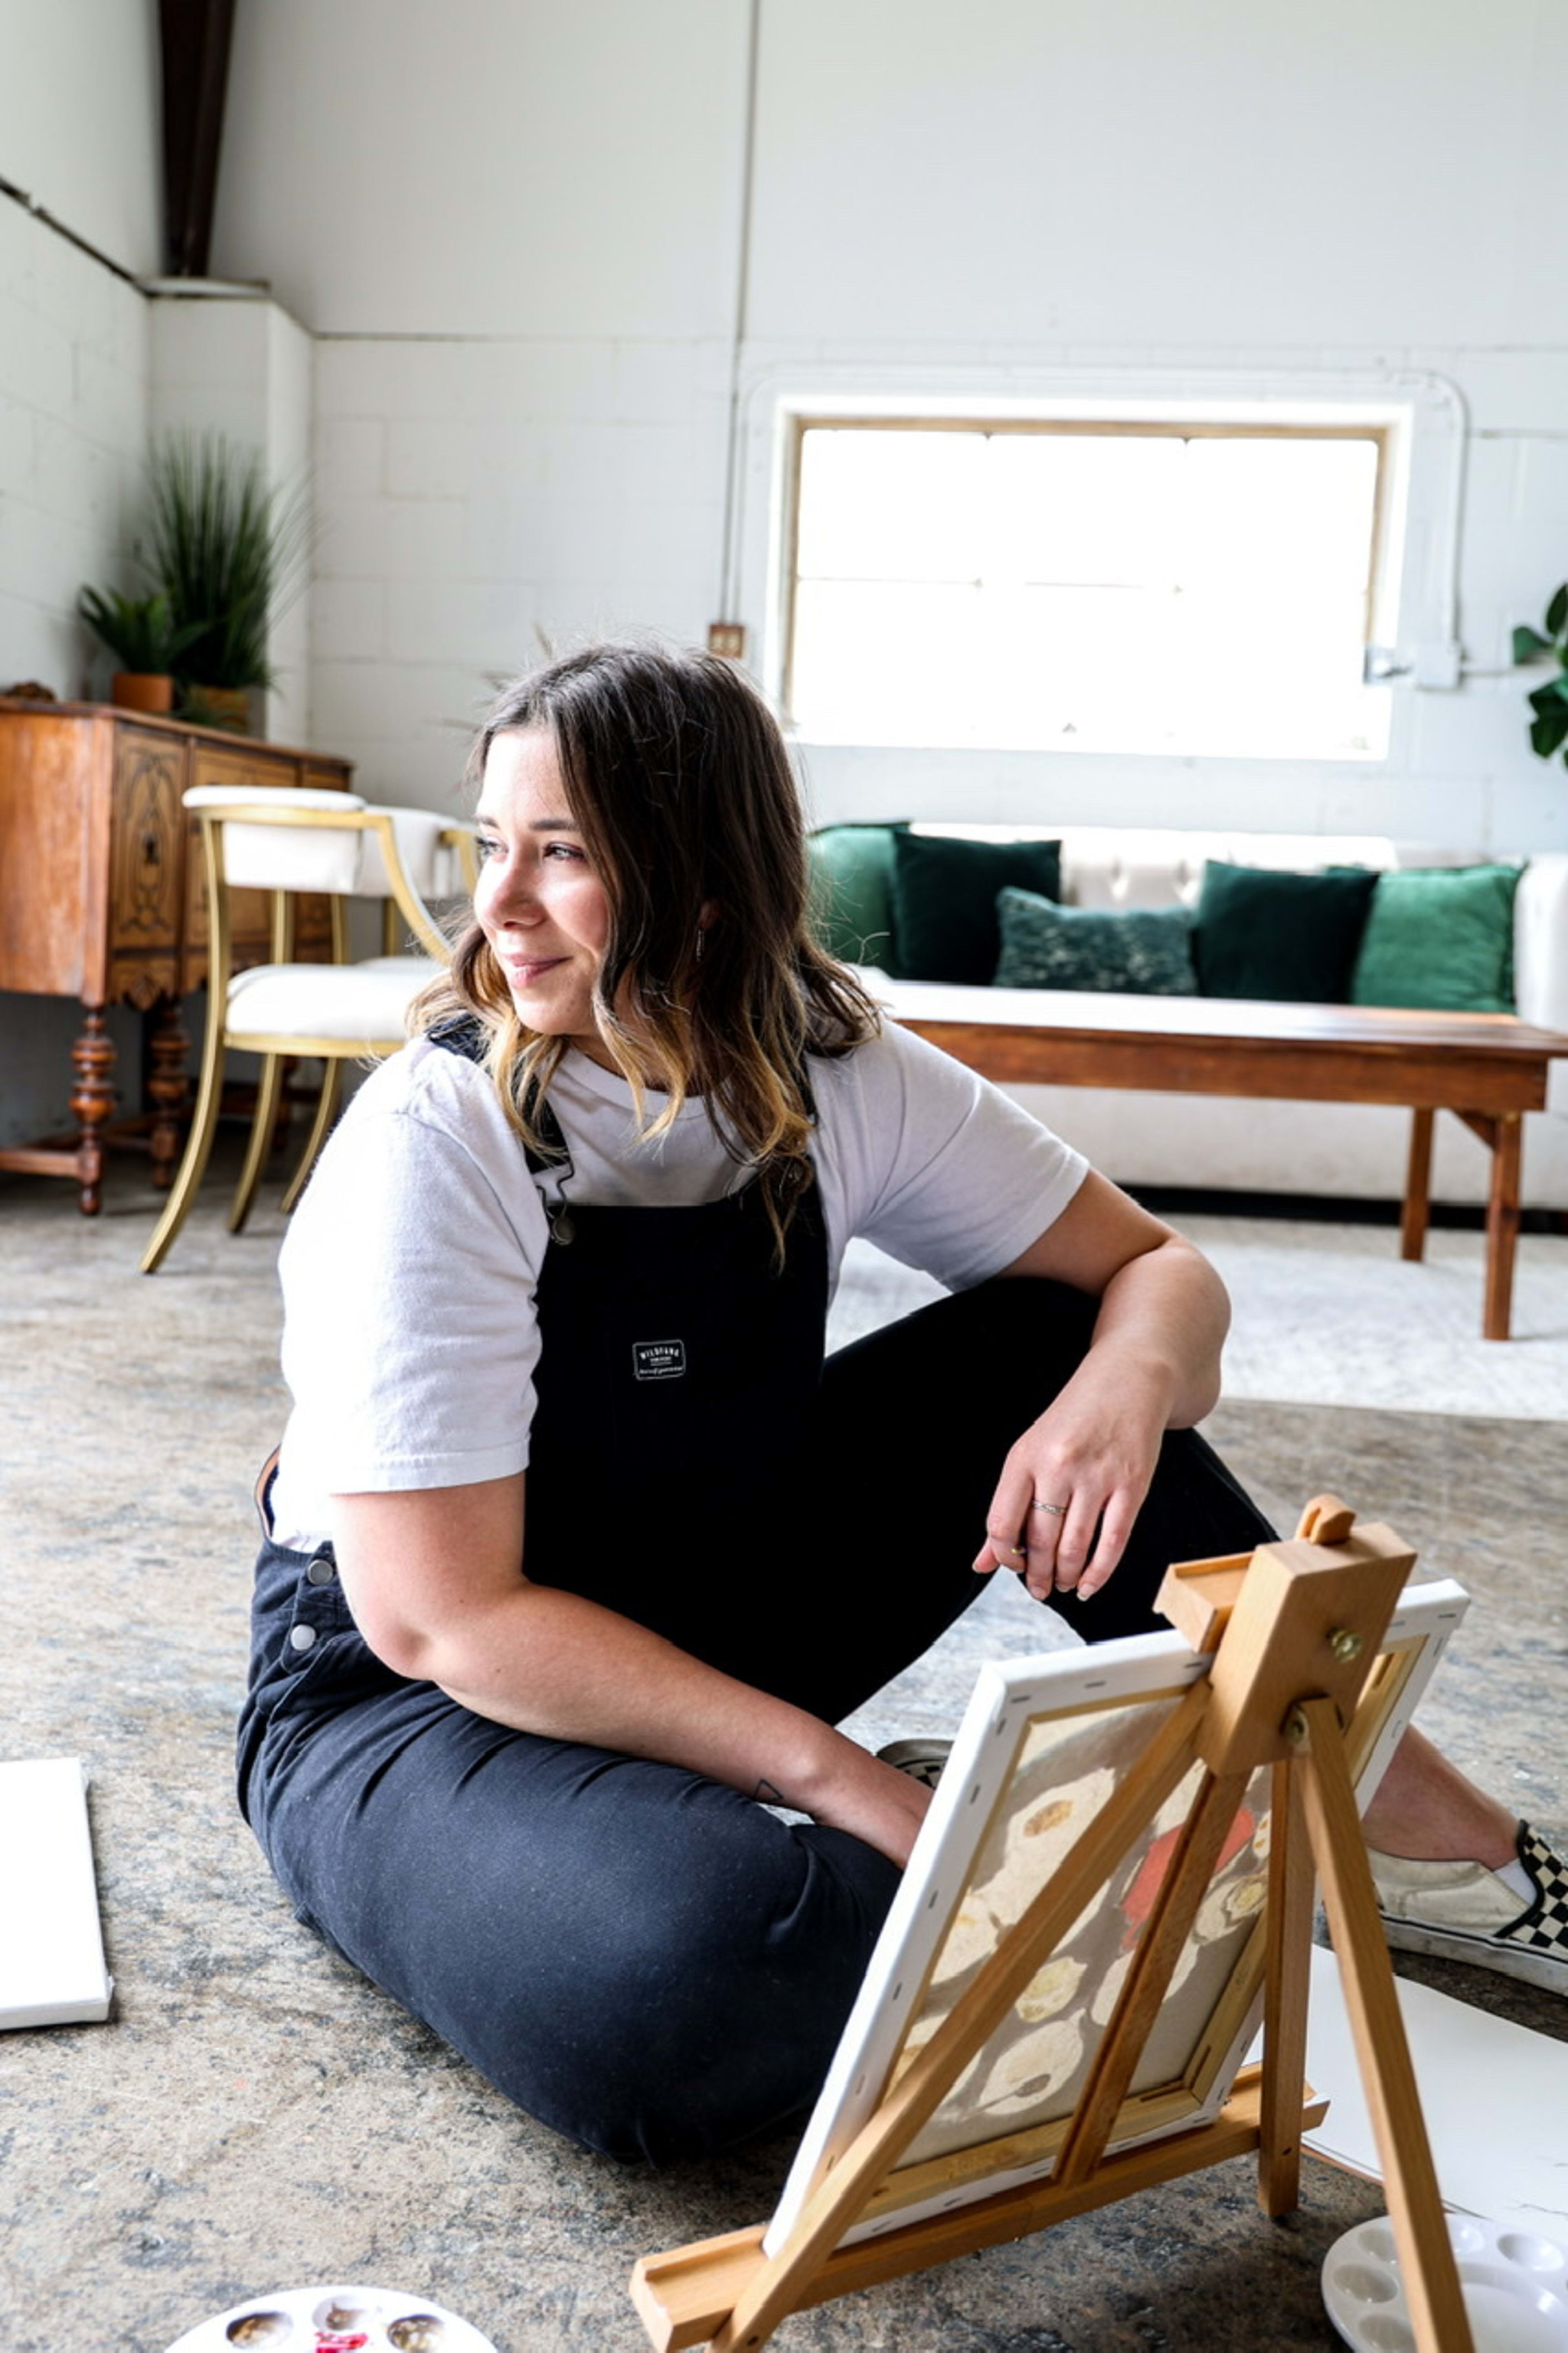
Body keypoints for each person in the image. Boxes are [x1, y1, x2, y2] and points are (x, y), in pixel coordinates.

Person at [238, 643, 1563, 2167]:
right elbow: (443, 1621)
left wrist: (1117, 1395)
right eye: (492, 846)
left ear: (704, 884)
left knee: (1052, 1336)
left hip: (691, 1604)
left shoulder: (828, 1069)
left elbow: (1160, 1272)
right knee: (702, 1973)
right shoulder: (440, 1135)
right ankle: (919, 1845)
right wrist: (834, 1772)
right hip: (402, 1698)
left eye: (565, 854)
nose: (500, 906)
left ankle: (1393, 1821)